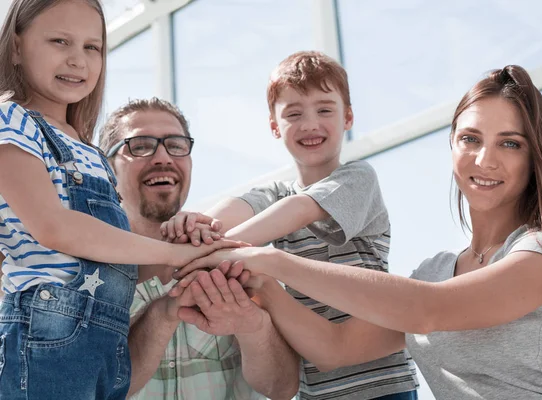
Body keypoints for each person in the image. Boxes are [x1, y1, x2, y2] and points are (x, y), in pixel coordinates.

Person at [175, 65, 542, 400]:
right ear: (452, 146)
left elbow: (427, 311)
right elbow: (335, 349)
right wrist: (265, 287)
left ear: (535, 155)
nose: (485, 159)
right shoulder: (435, 271)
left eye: (510, 143)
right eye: (470, 138)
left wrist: (270, 258)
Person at [0, 1, 236, 399]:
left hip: (102, 345)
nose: (77, 60)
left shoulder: (91, 153)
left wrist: (191, 251)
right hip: (42, 337)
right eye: (60, 41)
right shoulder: (13, 120)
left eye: (92, 47)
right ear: (17, 48)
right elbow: (54, 227)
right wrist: (171, 254)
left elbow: (110, 262)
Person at [166, 51, 419, 400]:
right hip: (315, 390)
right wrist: (200, 224)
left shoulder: (358, 178)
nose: (310, 124)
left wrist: (209, 253)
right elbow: (229, 213)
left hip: (381, 385)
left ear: (348, 117)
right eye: (294, 113)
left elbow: (301, 209)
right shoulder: (273, 194)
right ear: (275, 126)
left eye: (325, 110)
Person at [98, 97, 299, 399]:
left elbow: (281, 388)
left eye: (176, 145)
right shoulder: (86, 281)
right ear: (107, 168)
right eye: (140, 145)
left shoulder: (235, 261)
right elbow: (95, 390)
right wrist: (162, 314)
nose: (163, 157)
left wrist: (253, 327)